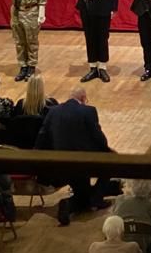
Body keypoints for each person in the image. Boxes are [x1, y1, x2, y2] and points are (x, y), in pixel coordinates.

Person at [35, 87, 113, 225]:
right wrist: (107, 152)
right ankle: (94, 200)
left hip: (60, 162)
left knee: (81, 193)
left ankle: (77, 202)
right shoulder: (88, 111)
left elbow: (42, 136)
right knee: (111, 163)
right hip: (84, 162)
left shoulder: (53, 111)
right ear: (83, 99)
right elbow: (99, 138)